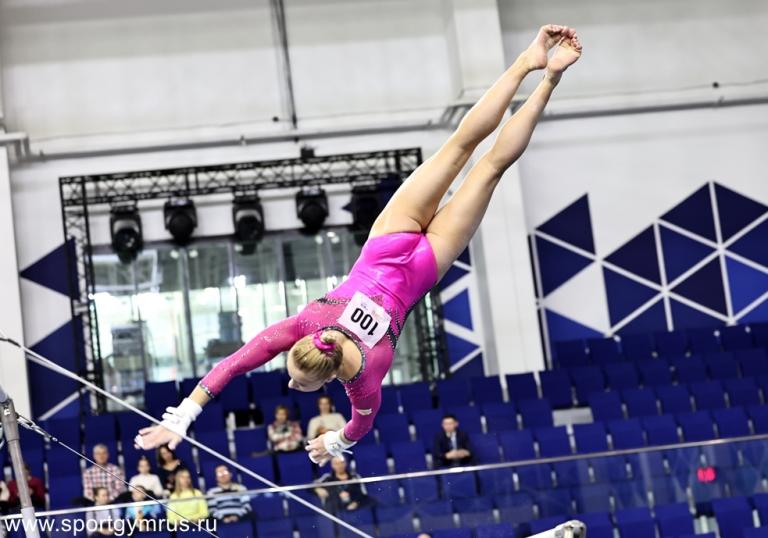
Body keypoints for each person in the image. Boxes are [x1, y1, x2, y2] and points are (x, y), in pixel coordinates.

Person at [136, 25, 583, 466]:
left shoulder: (362, 381)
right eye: (298, 381)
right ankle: (530, 64)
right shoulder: (307, 324)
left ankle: (547, 77)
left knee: (487, 167)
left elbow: (358, 427)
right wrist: (185, 412)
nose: (292, 386)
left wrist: (333, 443)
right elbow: (234, 364)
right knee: (461, 149)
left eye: (297, 381)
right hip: (389, 243)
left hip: (421, 265)